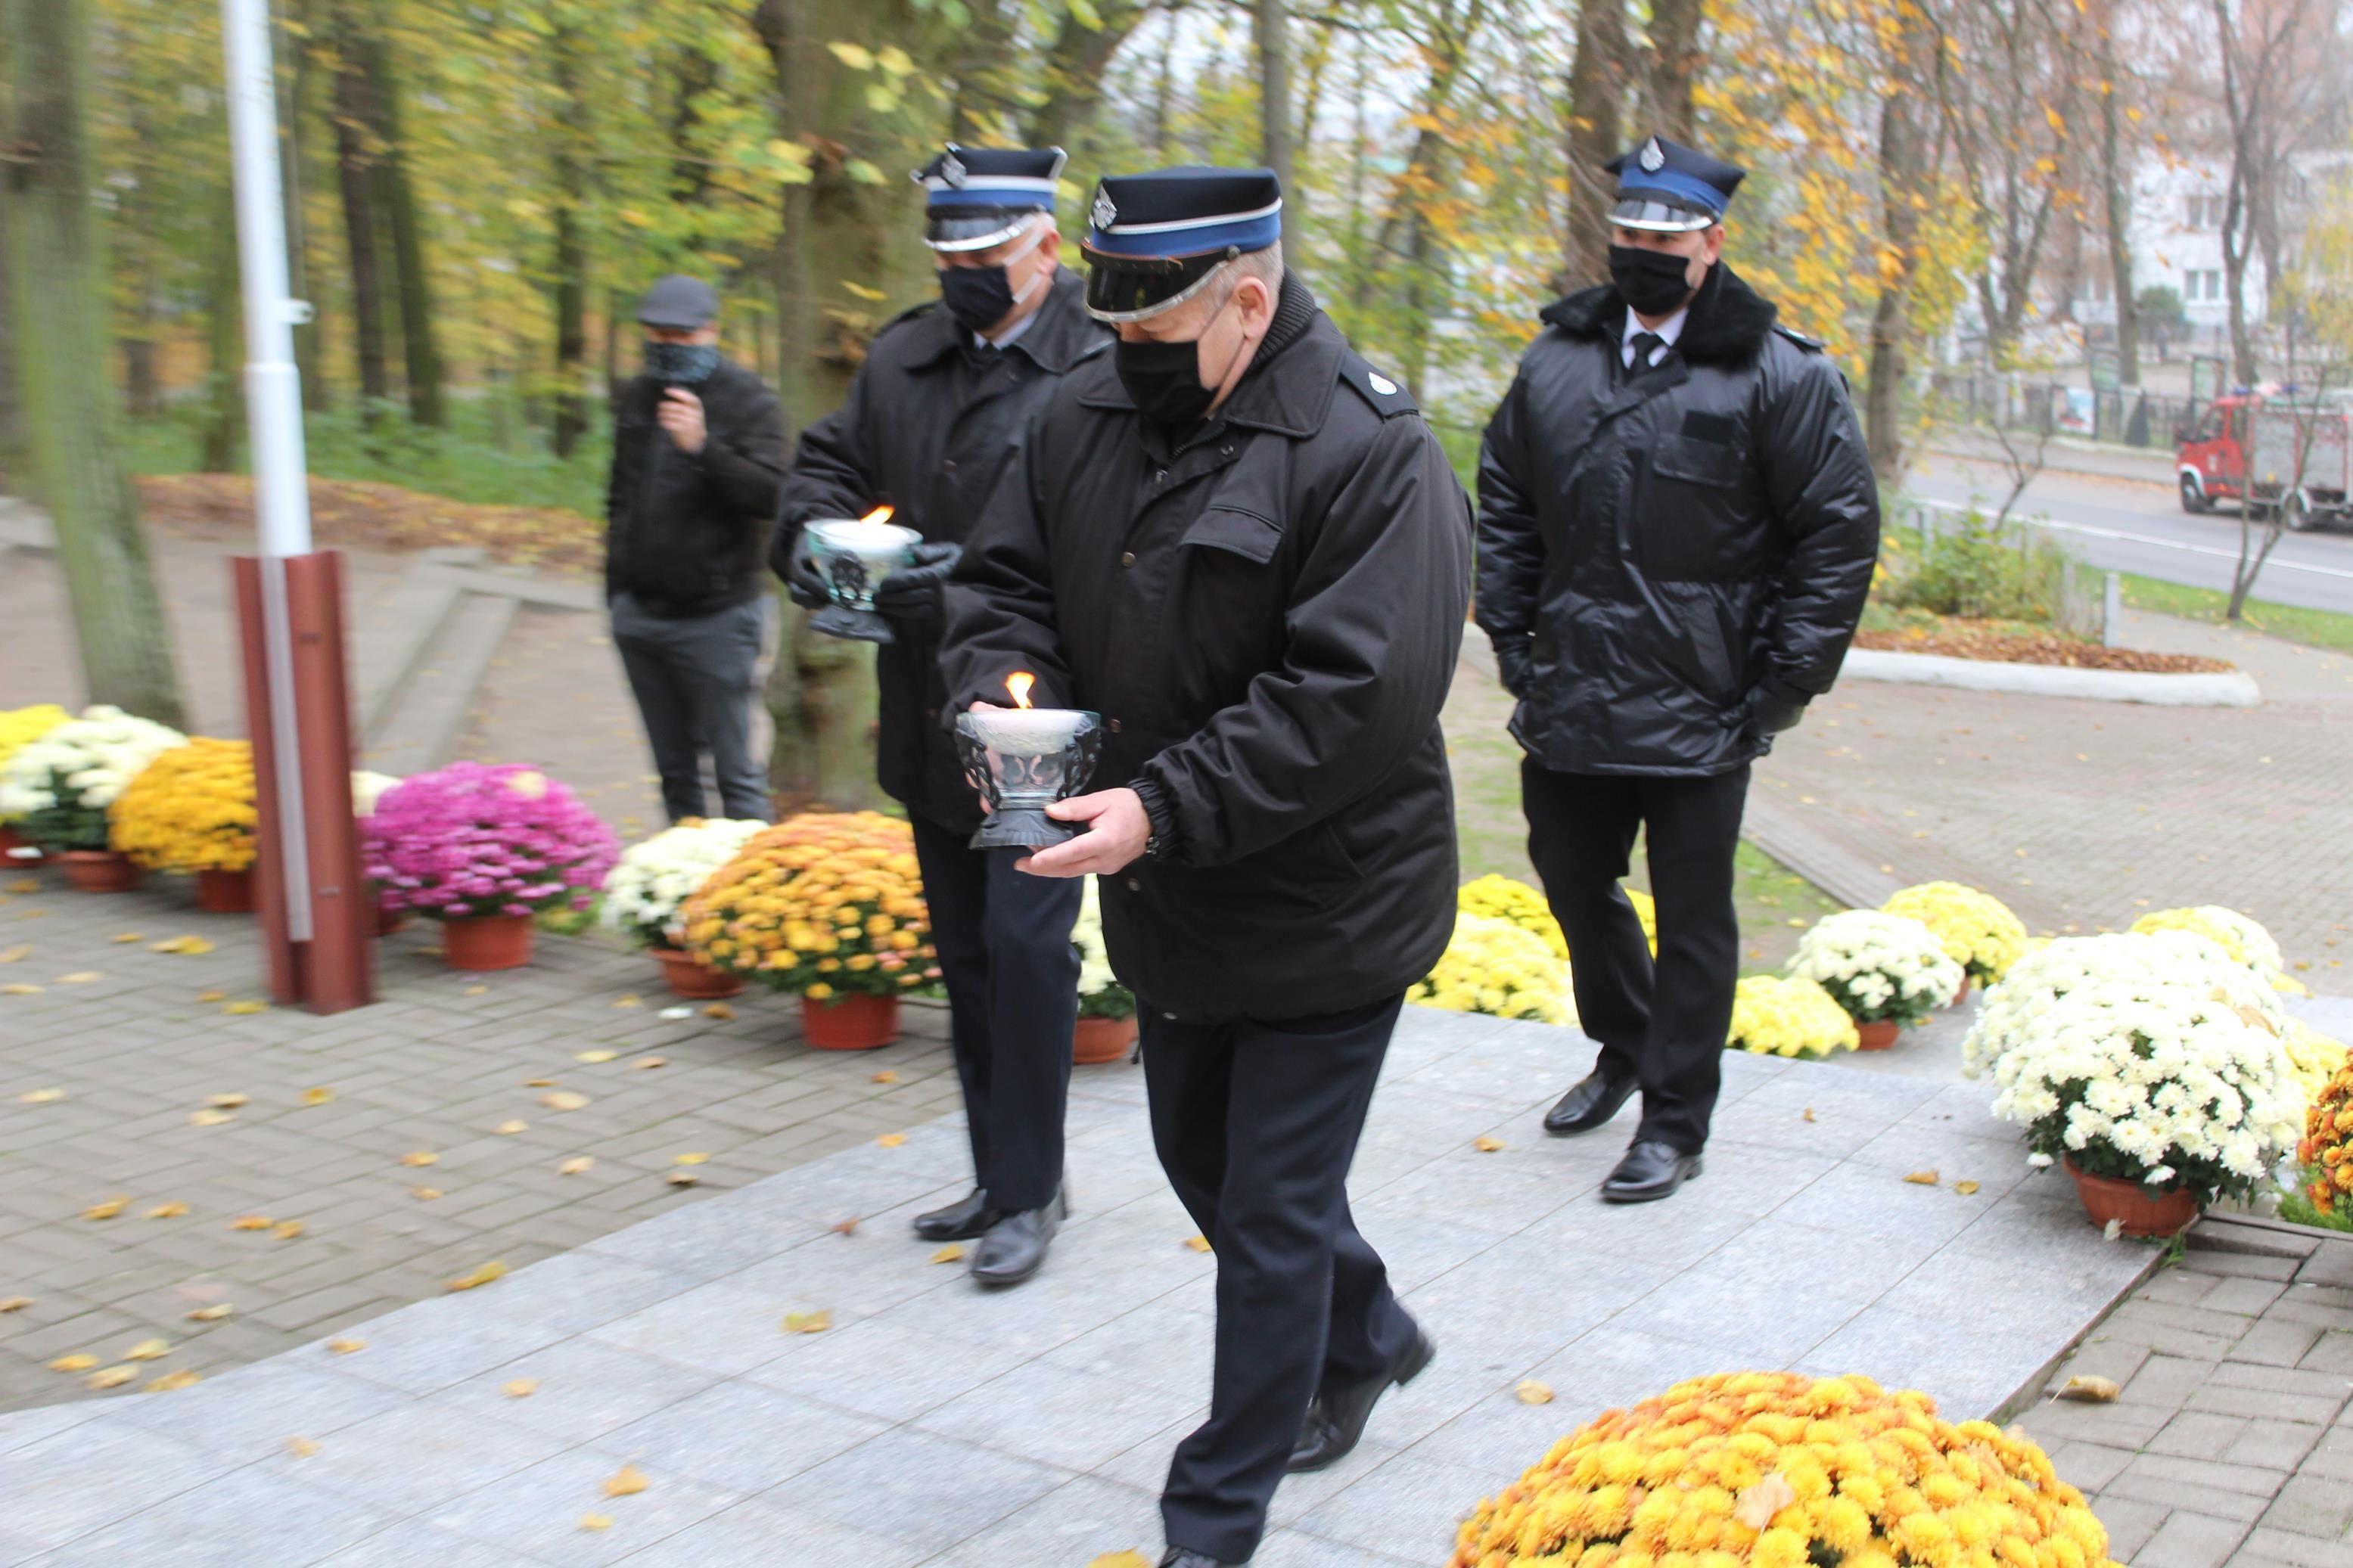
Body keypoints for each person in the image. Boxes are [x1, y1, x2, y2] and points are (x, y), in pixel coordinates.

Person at [941, 166, 1470, 1568]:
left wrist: (1160, 807)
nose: (1122, 354)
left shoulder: (1372, 451)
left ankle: (1212, 1519)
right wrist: (1011, 697)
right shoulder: (1087, 409)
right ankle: (1367, 1335)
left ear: (1250, 300)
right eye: (1108, 327)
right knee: (1201, 1164)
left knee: (1273, 1207)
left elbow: (1350, 698)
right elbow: (1004, 584)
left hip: (1334, 897)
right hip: (1173, 892)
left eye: (1153, 332)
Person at [1475, 135, 1880, 1203]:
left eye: (1664, 234)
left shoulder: (1780, 373)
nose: (1642, 250)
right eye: (1628, 232)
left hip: (1706, 696)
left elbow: (1835, 533)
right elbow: (1505, 501)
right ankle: (1623, 1041)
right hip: (1569, 687)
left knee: (1694, 912)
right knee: (1570, 877)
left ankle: (1673, 1120)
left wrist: (1783, 682)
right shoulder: (1554, 361)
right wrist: (1511, 638)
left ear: (1710, 241)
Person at [772, 145, 1111, 1287]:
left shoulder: (1101, 362)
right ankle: (1002, 1170)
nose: (965, 275)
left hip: (1035, 721)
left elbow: (1116, 542)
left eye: (987, 256)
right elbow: (823, 469)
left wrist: (962, 583)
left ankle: (1029, 1191)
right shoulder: (903, 358)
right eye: (948, 257)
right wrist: (831, 549)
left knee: (1026, 954)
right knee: (967, 958)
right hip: (925, 707)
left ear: (1046, 248)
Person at [605, 274, 790, 823]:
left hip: (717, 616)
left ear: (709, 331)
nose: (665, 345)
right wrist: (615, 591)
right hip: (639, 614)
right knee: (674, 770)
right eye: (655, 334)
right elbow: (619, 496)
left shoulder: (749, 399)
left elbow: (774, 495)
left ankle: (746, 891)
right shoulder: (639, 393)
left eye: (679, 336)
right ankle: (678, 885)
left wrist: (702, 448)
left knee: (735, 773)